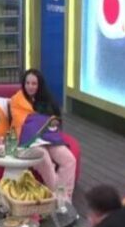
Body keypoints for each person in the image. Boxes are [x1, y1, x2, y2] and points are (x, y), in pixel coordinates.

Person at [12, 69, 77, 199]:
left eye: (34, 83)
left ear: (39, 85)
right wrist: (37, 123)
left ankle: (62, 197)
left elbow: (55, 121)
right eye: (27, 83)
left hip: (49, 138)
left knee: (70, 160)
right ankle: (61, 199)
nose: (30, 86)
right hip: (28, 140)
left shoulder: (46, 99)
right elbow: (21, 123)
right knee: (44, 158)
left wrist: (50, 124)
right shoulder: (17, 100)